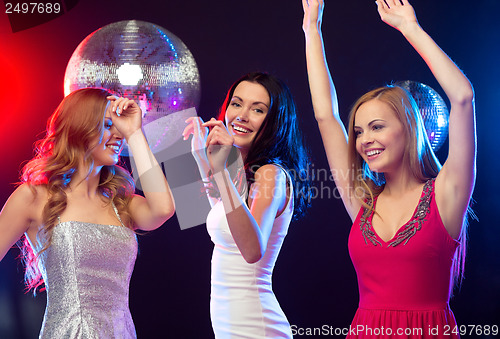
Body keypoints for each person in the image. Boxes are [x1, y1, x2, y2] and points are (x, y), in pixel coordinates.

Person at [303, 0, 475, 337]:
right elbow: (325, 116)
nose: (365, 139)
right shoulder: (362, 201)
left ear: (410, 128)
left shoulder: (447, 193)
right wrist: (312, 28)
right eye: (359, 131)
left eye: (377, 126)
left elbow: (463, 97)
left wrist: (411, 29)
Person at [0, 88, 175, 338]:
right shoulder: (34, 197)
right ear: (78, 128)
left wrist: (135, 133)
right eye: (107, 125)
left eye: (120, 128)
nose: (118, 135)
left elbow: (163, 209)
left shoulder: (121, 203)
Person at [183, 72, 311, 338]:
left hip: (255, 326)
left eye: (258, 109)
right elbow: (225, 216)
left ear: (275, 122)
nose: (241, 115)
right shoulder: (242, 173)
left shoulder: (271, 174)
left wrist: (220, 171)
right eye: (237, 104)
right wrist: (200, 156)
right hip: (230, 325)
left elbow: (252, 249)